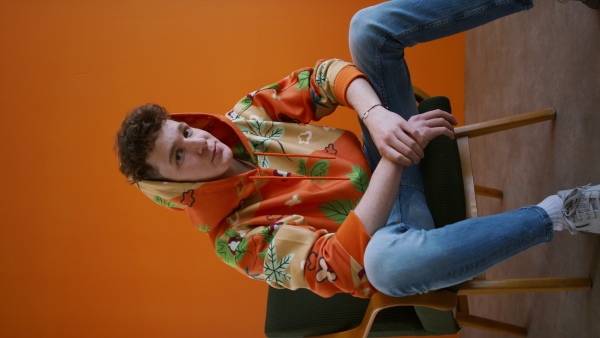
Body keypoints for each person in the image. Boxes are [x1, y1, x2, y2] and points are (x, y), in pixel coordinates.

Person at [115, 0, 599, 299]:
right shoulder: (234, 241)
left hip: (387, 150)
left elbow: (323, 77)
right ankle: (563, 210)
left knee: (367, 28)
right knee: (387, 268)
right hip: (390, 229)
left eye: (183, 132)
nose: (199, 143)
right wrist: (394, 156)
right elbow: (339, 266)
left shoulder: (243, 119)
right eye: (179, 157)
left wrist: (377, 118)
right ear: (173, 191)